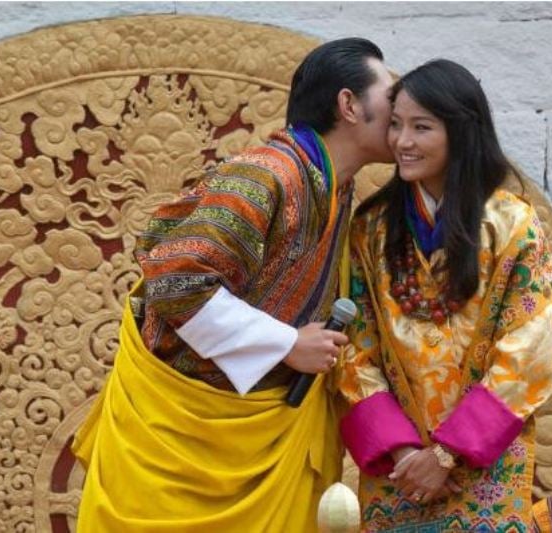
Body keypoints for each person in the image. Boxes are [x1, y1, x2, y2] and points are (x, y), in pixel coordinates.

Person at [72, 38, 394, 532]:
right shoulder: (265, 175)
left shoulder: (335, 187)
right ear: (349, 105)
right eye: (391, 97)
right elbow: (177, 283)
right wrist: (287, 343)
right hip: (179, 447)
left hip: (261, 434)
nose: (402, 114)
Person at [339, 58, 552, 532]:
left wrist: (446, 453)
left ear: (461, 132)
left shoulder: (511, 226)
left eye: (422, 127)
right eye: (396, 125)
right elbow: (355, 349)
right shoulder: (371, 230)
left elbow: (531, 350)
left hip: (484, 464)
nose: (402, 141)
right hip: (396, 469)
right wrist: (404, 450)